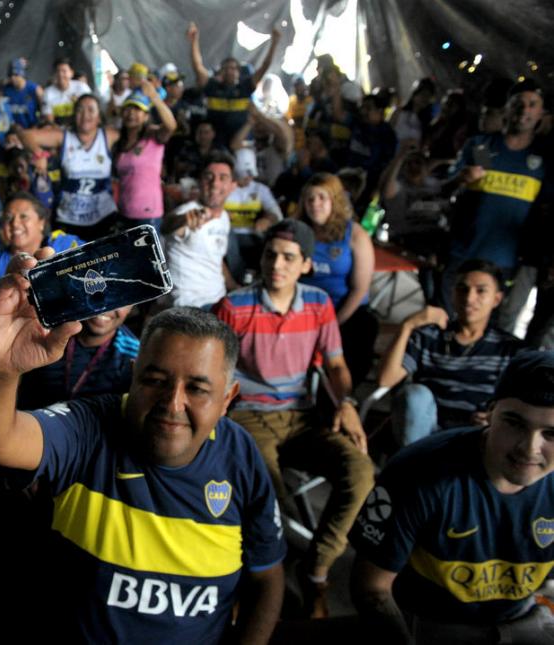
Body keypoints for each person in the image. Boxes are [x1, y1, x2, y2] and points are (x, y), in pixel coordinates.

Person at [0, 285, 285, 642]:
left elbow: (267, 577)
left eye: (197, 389)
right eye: (155, 381)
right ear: (133, 375)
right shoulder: (91, 427)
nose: (172, 403)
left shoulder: (240, 456)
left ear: (227, 399)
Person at [213, 219, 374, 618]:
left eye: (288, 257)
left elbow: (335, 365)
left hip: (300, 417)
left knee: (360, 471)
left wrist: (347, 403)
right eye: (271, 254)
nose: (277, 264)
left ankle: (316, 567)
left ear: (305, 264)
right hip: (248, 416)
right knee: (271, 500)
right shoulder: (235, 305)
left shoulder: (319, 304)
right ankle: (265, 587)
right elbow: (216, 371)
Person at [351, 350, 554, 644]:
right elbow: (372, 589)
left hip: (523, 615)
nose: (529, 448)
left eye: (551, 434)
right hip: (430, 622)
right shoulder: (419, 472)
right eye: (514, 423)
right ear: (490, 412)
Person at [376, 259, 524, 446]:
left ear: (496, 299)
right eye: (462, 289)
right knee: (414, 394)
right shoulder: (429, 336)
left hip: (476, 439)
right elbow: (385, 380)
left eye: (481, 291)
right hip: (424, 435)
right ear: (453, 294)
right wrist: (407, 326)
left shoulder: (508, 348)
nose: (469, 298)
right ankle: (418, 467)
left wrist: (495, 416)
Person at [444, 79, 547, 320]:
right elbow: (445, 187)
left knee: (494, 331)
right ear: (507, 109)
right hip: (464, 253)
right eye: (518, 103)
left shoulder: (545, 159)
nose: (525, 110)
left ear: (541, 113)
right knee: (450, 322)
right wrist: (461, 178)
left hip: (507, 263)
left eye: (533, 105)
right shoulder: (480, 146)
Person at [297, 172, 377, 385]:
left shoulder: (356, 235)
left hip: (345, 312)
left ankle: (344, 400)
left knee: (362, 331)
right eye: (310, 199)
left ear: (335, 201)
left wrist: (333, 324)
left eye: (322, 198)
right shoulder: (297, 232)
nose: (315, 204)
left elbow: (360, 289)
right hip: (303, 309)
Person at [19, 94, 120, 239]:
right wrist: (39, 154)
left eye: (91, 110)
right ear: (74, 115)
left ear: (99, 117)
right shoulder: (63, 136)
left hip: (103, 217)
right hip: (69, 218)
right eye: (80, 110)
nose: (85, 114)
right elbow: (26, 135)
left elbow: (137, 132)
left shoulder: (108, 136)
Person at [0, 192, 80, 319]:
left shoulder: (63, 245)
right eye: (8, 218)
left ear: (41, 223)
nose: (14, 223)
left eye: (23, 216)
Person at [17, 305, 138, 410]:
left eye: (121, 298)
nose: (106, 306)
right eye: (98, 287)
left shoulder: (133, 357)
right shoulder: (44, 329)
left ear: (131, 307)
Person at [161, 151, 239, 309]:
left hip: (219, 301)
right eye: (209, 176)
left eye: (222, 178)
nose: (215, 183)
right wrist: (184, 220)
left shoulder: (223, 217)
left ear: (233, 186)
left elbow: (216, 259)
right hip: (189, 306)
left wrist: (236, 288)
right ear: (200, 182)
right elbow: (167, 227)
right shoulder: (187, 213)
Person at [187, 21, 281, 146]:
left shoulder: (245, 87)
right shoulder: (212, 87)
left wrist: (274, 43)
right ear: (221, 72)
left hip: (241, 142)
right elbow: (197, 67)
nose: (229, 71)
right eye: (226, 68)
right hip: (216, 144)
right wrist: (194, 41)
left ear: (238, 72)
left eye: (233, 68)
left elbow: (265, 66)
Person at [114, 82, 178, 232]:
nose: (131, 113)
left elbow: (171, 125)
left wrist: (154, 97)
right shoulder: (119, 142)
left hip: (148, 214)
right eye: (128, 108)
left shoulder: (153, 136)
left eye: (137, 109)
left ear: (146, 116)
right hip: (124, 211)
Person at [223, 146, 284, 281]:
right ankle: (238, 278)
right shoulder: (226, 187)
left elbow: (276, 214)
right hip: (229, 234)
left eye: (250, 174)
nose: (248, 177)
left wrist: (267, 219)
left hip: (253, 234)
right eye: (244, 174)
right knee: (229, 239)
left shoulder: (261, 189)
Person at [41, 58, 92, 126]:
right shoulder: (47, 93)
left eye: (64, 71)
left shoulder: (82, 88)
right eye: (57, 71)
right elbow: (49, 120)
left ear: (71, 73)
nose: (60, 75)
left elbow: (91, 110)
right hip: (58, 130)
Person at [3, 57, 44, 130]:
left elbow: (44, 112)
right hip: (13, 131)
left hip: (33, 130)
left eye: (15, 75)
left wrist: (37, 126)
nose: (12, 78)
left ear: (22, 74)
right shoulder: (5, 90)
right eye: (10, 75)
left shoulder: (35, 89)